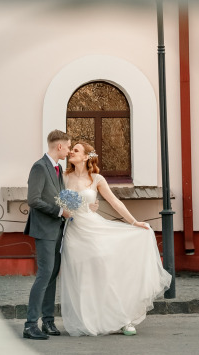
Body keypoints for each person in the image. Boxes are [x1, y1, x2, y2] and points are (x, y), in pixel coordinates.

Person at [59, 139, 172, 336]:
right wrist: (66, 212)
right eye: (72, 150)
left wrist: (134, 222)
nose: (71, 153)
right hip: (73, 232)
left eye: (75, 150)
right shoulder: (64, 177)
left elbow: (114, 202)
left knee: (103, 271)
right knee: (81, 276)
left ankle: (123, 318)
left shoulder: (97, 179)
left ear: (86, 157)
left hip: (93, 229)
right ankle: (88, 320)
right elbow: (59, 204)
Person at [22, 129, 73, 340]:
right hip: (44, 229)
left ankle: (48, 322)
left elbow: (59, 197)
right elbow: (33, 200)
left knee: (52, 275)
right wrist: (60, 211)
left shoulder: (58, 167)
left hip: (57, 228)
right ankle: (30, 325)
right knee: (44, 274)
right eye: (68, 146)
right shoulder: (39, 167)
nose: (69, 151)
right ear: (59, 146)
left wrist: (72, 207)